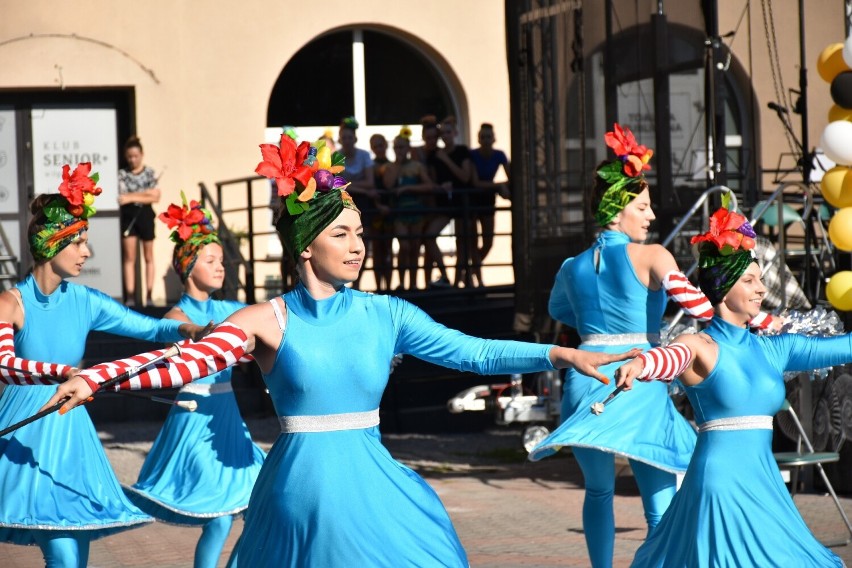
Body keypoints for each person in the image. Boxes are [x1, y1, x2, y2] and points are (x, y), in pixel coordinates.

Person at [49, 137, 638, 567]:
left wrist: (558, 357)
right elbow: (185, 362)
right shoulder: (264, 319)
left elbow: (475, 353)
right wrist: (98, 380)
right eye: (342, 234)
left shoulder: (388, 313)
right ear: (306, 247)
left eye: (359, 232)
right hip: (302, 492)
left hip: (373, 480)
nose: (358, 245)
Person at [527, 124, 777, 568]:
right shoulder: (653, 255)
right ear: (617, 208)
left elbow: (559, 310)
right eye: (642, 206)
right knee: (658, 493)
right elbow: (702, 304)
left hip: (586, 379)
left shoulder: (571, 266)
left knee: (599, 490)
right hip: (638, 378)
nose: (651, 216)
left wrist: (597, 322)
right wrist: (763, 320)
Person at [613, 205, 847, 567]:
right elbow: (668, 358)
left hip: (765, 483)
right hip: (718, 484)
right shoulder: (700, 346)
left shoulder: (775, 348)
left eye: (760, 279)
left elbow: (843, 346)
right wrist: (641, 363)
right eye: (750, 281)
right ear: (724, 286)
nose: (761, 289)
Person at [0, 163, 207, 568]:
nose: (87, 252)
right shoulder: (11, 303)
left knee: (75, 550)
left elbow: (147, 327)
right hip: (25, 433)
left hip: (71, 431)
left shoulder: (86, 301)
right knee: (61, 549)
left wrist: (191, 328)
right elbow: (6, 366)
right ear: (51, 245)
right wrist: (61, 372)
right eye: (77, 242)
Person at [123, 194, 266, 568]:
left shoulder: (232, 309)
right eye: (211, 260)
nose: (221, 267)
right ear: (187, 267)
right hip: (195, 417)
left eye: (222, 260)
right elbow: (167, 359)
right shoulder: (176, 316)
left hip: (229, 419)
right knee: (218, 519)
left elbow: (267, 326)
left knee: (258, 509)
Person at [384, 129, 436, 290]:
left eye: (402, 147)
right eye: (397, 148)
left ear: (408, 149)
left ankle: (413, 283)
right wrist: (398, 166)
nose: (400, 150)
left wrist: (409, 189)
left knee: (414, 246)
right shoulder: (390, 167)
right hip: (399, 212)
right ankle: (401, 282)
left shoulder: (417, 166)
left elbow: (429, 186)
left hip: (416, 210)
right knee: (404, 246)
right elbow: (388, 185)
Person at [429, 116, 474, 287]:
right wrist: (441, 186)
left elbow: (465, 176)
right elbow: (433, 181)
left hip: (462, 204)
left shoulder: (462, 151)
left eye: (448, 132)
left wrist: (446, 160)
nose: (445, 136)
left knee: (462, 242)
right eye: (443, 133)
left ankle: (458, 282)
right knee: (429, 235)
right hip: (444, 205)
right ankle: (445, 276)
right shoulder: (435, 156)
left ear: (454, 133)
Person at [118, 135, 161, 307]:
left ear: (141, 155)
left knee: (148, 256)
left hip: (145, 215)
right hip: (129, 216)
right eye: (129, 156)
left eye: (135, 156)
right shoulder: (122, 174)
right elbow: (122, 198)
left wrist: (133, 196)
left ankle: (149, 295)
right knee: (130, 257)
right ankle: (130, 296)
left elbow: (156, 196)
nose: (132, 159)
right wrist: (146, 194)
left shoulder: (149, 172)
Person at [412, 114, 452, 287]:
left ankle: (443, 277)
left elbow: (444, 179)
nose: (431, 141)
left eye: (434, 138)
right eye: (428, 138)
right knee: (423, 242)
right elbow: (418, 177)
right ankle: (426, 282)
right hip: (420, 204)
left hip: (438, 206)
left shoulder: (441, 155)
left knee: (429, 238)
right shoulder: (416, 153)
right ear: (423, 137)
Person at [469, 123, 510, 287]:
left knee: (488, 242)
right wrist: (498, 186)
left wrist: (502, 186)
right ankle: (478, 281)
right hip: (472, 200)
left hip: (488, 201)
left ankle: (471, 271)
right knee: (473, 242)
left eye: (488, 136)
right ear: (478, 139)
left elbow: (511, 177)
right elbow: (475, 183)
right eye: (483, 137)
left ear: (494, 139)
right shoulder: (471, 155)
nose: (486, 140)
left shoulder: (499, 155)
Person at [369, 133, 393, 291]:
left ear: (386, 145)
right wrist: (378, 206)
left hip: (390, 212)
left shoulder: (393, 165)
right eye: (376, 146)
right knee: (377, 251)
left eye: (381, 144)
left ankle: (389, 288)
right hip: (375, 212)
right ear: (372, 148)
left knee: (388, 251)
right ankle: (379, 288)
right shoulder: (369, 167)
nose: (379, 148)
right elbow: (371, 188)